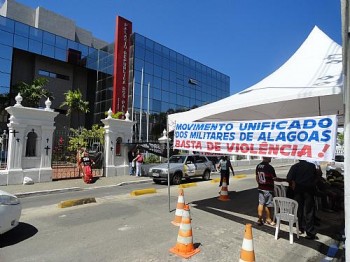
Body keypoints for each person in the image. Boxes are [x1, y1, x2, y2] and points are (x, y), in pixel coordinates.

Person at [286, 159, 318, 239]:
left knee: (298, 210)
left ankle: (300, 228)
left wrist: (293, 183)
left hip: (298, 191)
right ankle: (310, 232)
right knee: (309, 211)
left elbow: (289, 178)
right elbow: (317, 177)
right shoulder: (312, 166)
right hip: (309, 191)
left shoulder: (295, 167)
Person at [255, 157, 279, 226]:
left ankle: (259, 219)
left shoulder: (258, 166)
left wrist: (259, 184)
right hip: (268, 188)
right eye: (269, 157)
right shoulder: (269, 167)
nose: (271, 158)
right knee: (268, 204)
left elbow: (257, 177)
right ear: (266, 158)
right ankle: (268, 219)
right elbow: (274, 178)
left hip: (261, 188)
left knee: (261, 203)